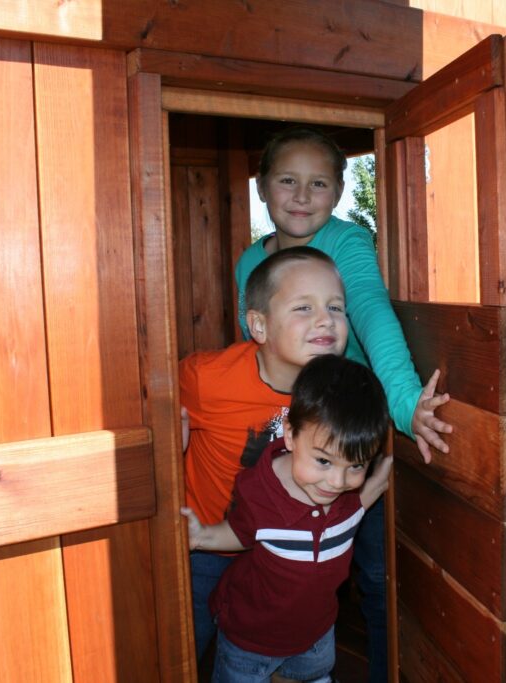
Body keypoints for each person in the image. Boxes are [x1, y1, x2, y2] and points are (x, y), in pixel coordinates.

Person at [236, 126, 451, 681]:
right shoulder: (249, 263)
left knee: (374, 575)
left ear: (337, 192)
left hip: (351, 433)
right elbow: (248, 348)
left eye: (318, 183)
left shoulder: (346, 243)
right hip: (289, 435)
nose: (302, 196)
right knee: (281, 559)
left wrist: (405, 407)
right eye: (287, 180)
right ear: (262, 187)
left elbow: (375, 318)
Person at [179, 246, 348, 667]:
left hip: (280, 554)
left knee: (277, 655)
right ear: (259, 325)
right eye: (303, 307)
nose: (325, 319)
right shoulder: (206, 380)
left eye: (335, 307)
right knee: (187, 647)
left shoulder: (340, 391)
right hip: (207, 548)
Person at [181, 354, 394, 683]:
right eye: (323, 461)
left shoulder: (352, 495)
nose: (337, 483)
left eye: (355, 466)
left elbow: (366, 495)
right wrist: (201, 536)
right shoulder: (260, 488)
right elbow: (241, 533)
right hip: (248, 644)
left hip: (315, 640)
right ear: (291, 435)